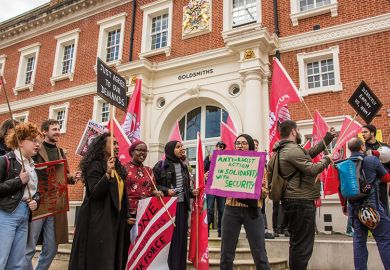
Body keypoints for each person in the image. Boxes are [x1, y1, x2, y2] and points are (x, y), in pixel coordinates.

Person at [272, 120, 334, 270]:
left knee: (297, 243)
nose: (298, 133)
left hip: (293, 200)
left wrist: (327, 138)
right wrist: (327, 159)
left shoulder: (285, 149)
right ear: (293, 131)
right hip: (301, 201)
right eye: (298, 130)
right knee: (303, 246)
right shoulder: (292, 150)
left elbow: (308, 154)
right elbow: (312, 169)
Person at [24, 119, 81, 270]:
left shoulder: (61, 151)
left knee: (51, 248)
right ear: (44, 132)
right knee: (29, 247)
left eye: (58, 129)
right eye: (54, 129)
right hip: (38, 203)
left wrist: (72, 177)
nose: (58, 132)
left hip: (56, 204)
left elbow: (65, 174)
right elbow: (28, 169)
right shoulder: (36, 148)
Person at [68, 133, 128, 270]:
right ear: (102, 147)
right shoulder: (94, 166)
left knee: (111, 256)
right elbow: (95, 193)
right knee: (99, 258)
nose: (117, 146)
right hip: (98, 219)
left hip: (115, 219)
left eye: (117, 144)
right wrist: (107, 174)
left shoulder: (118, 168)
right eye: (113, 144)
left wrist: (127, 215)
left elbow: (121, 193)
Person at [220, 134, 270, 270]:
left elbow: (265, 192)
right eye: (238, 143)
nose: (240, 146)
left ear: (251, 146)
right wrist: (211, 178)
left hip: (253, 211)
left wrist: (250, 188)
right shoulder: (227, 163)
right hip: (231, 210)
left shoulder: (260, 164)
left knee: (259, 253)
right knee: (226, 254)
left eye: (244, 143)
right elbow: (220, 183)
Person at [0, 122, 41, 269]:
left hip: (24, 215)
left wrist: (36, 200)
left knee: (17, 263)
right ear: (21, 141)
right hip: (6, 214)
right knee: (1, 259)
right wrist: (18, 181)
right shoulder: (6, 160)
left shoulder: (31, 165)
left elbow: (36, 192)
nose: (37, 144)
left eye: (38, 141)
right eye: (33, 140)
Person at [153, 140, 198, 270]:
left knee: (181, 240)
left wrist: (192, 192)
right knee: (169, 240)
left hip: (182, 207)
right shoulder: (160, 165)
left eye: (182, 146)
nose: (181, 149)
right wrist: (166, 191)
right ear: (170, 149)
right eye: (178, 147)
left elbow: (184, 188)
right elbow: (153, 185)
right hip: (167, 208)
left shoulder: (184, 166)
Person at [346, 137, 390, 269]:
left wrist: (344, 207)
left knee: (359, 242)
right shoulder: (371, 160)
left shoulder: (344, 164)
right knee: (384, 239)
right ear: (362, 147)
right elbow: (387, 178)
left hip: (354, 208)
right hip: (373, 207)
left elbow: (342, 188)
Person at [124, 140, 163, 266]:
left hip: (145, 214)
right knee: (128, 246)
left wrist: (156, 193)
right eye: (139, 150)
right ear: (132, 152)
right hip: (129, 214)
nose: (143, 153)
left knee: (142, 246)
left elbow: (152, 189)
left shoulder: (149, 170)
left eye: (145, 150)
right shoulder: (124, 168)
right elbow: (119, 193)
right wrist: (125, 215)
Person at [361, 124, 390, 216]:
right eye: (362, 132)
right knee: (371, 213)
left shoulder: (385, 147)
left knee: (384, 211)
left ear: (372, 133)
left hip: (382, 185)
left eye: (365, 132)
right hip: (368, 186)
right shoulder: (361, 148)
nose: (363, 134)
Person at [204, 141, 226, 237]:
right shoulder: (208, 158)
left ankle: (221, 231)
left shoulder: (226, 159)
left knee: (222, 210)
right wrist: (209, 160)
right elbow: (203, 171)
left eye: (222, 147)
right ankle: (206, 231)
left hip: (221, 187)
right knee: (209, 209)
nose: (220, 148)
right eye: (219, 146)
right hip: (211, 187)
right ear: (216, 147)